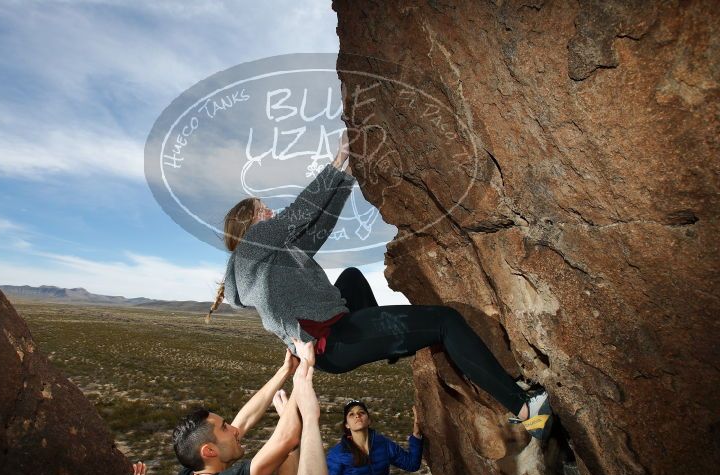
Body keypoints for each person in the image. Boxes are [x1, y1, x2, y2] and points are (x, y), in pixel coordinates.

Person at [206, 129, 553, 440]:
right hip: (335, 340)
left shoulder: (268, 258)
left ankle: (389, 342)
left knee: (352, 278)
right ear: (248, 224)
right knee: (446, 322)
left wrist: (347, 177)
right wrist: (338, 159)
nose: (270, 212)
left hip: (328, 346)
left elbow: (318, 227)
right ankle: (525, 410)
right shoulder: (257, 243)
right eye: (263, 210)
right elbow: (302, 211)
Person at [167, 350, 304, 475]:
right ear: (209, 451)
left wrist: (286, 370)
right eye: (225, 427)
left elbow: (245, 419)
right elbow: (288, 437)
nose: (234, 429)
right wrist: (303, 374)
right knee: (288, 450)